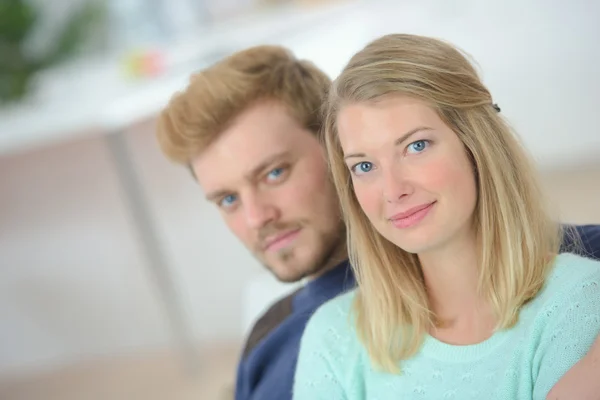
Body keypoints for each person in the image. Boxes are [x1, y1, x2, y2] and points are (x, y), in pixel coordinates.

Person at [155, 45, 600, 400]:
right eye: (228, 199)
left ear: (330, 154)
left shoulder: (573, 276)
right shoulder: (293, 334)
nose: (257, 218)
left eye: (275, 173)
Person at [293, 33, 600, 400]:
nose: (393, 190)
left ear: (476, 144)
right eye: (364, 165)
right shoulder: (334, 337)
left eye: (415, 146)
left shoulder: (576, 300)